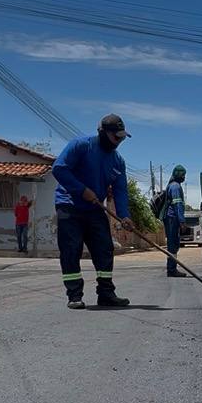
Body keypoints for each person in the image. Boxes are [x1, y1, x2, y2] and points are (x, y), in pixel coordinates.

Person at [52, 114, 135, 310]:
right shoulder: (80, 146)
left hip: (95, 208)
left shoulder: (117, 162)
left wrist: (124, 215)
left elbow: (120, 190)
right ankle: (74, 295)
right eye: (116, 137)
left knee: (104, 248)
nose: (119, 141)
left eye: (122, 138)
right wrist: (81, 190)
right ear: (103, 133)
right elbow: (59, 169)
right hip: (69, 205)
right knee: (71, 249)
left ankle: (106, 293)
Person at [162, 165, 187, 277]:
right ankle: (171, 270)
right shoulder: (175, 186)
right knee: (172, 244)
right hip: (172, 218)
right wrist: (182, 221)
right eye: (182, 175)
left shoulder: (172, 185)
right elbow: (177, 205)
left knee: (174, 244)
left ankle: (172, 268)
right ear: (177, 174)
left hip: (171, 218)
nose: (184, 177)